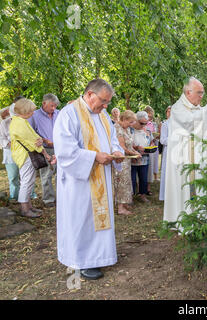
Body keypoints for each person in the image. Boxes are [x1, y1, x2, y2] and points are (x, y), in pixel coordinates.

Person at [53, 79, 124, 280]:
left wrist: (116, 151)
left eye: (108, 102)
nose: (105, 106)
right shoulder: (69, 114)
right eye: (103, 101)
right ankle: (81, 260)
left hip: (101, 178)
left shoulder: (102, 115)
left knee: (100, 220)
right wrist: (94, 157)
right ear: (90, 94)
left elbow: (112, 139)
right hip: (80, 183)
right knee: (82, 220)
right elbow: (65, 151)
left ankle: (100, 256)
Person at [163, 77, 207, 225]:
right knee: (185, 189)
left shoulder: (198, 109)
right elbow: (190, 123)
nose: (201, 96)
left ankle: (203, 218)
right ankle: (186, 221)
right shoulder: (178, 108)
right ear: (188, 92)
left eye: (203, 93)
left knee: (201, 186)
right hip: (184, 160)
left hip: (199, 158)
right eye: (199, 93)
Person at [10, 98, 56, 217]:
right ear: (24, 111)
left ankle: (29, 206)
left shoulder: (20, 120)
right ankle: (25, 209)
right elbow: (34, 142)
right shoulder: (20, 123)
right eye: (30, 111)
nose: (33, 113)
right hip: (25, 156)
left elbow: (35, 137)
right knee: (26, 182)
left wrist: (39, 140)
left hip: (25, 155)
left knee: (29, 181)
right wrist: (46, 154)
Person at [28, 93, 60, 207]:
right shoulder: (34, 115)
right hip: (44, 149)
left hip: (59, 149)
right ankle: (48, 200)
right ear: (44, 103)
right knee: (46, 175)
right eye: (51, 106)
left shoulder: (59, 113)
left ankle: (60, 197)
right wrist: (45, 140)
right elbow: (30, 134)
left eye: (55, 106)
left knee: (60, 174)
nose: (53, 108)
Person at [114, 110, 141, 215]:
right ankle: (120, 208)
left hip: (127, 160)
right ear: (124, 119)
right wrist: (133, 154)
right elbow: (122, 147)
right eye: (130, 122)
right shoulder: (117, 128)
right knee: (122, 183)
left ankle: (124, 203)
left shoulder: (127, 129)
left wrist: (136, 152)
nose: (131, 124)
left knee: (127, 182)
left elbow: (130, 145)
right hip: (121, 160)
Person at [0, 97, 23, 201]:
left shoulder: (25, 120)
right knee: (13, 177)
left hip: (24, 152)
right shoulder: (4, 122)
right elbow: (1, 138)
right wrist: (9, 143)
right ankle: (14, 196)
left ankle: (28, 195)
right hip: (10, 152)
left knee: (26, 176)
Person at [131, 111, 152, 202]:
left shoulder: (147, 130)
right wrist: (135, 149)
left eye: (145, 123)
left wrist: (151, 146)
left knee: (143, 177)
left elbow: (151, 141)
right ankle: (130, 196)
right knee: (131, 178)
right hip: (132, 158)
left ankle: (143, 195)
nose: (144, 125)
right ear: (136, 120)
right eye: (141, 123)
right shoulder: (130, 130)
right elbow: (126, 143)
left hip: (144, 158)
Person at [159, 106, 171, 201]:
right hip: (168, 151)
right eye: (168, 112)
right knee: (167, 172)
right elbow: (162, 140)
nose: (170, 113)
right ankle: (165, 196)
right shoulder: (165, 124)